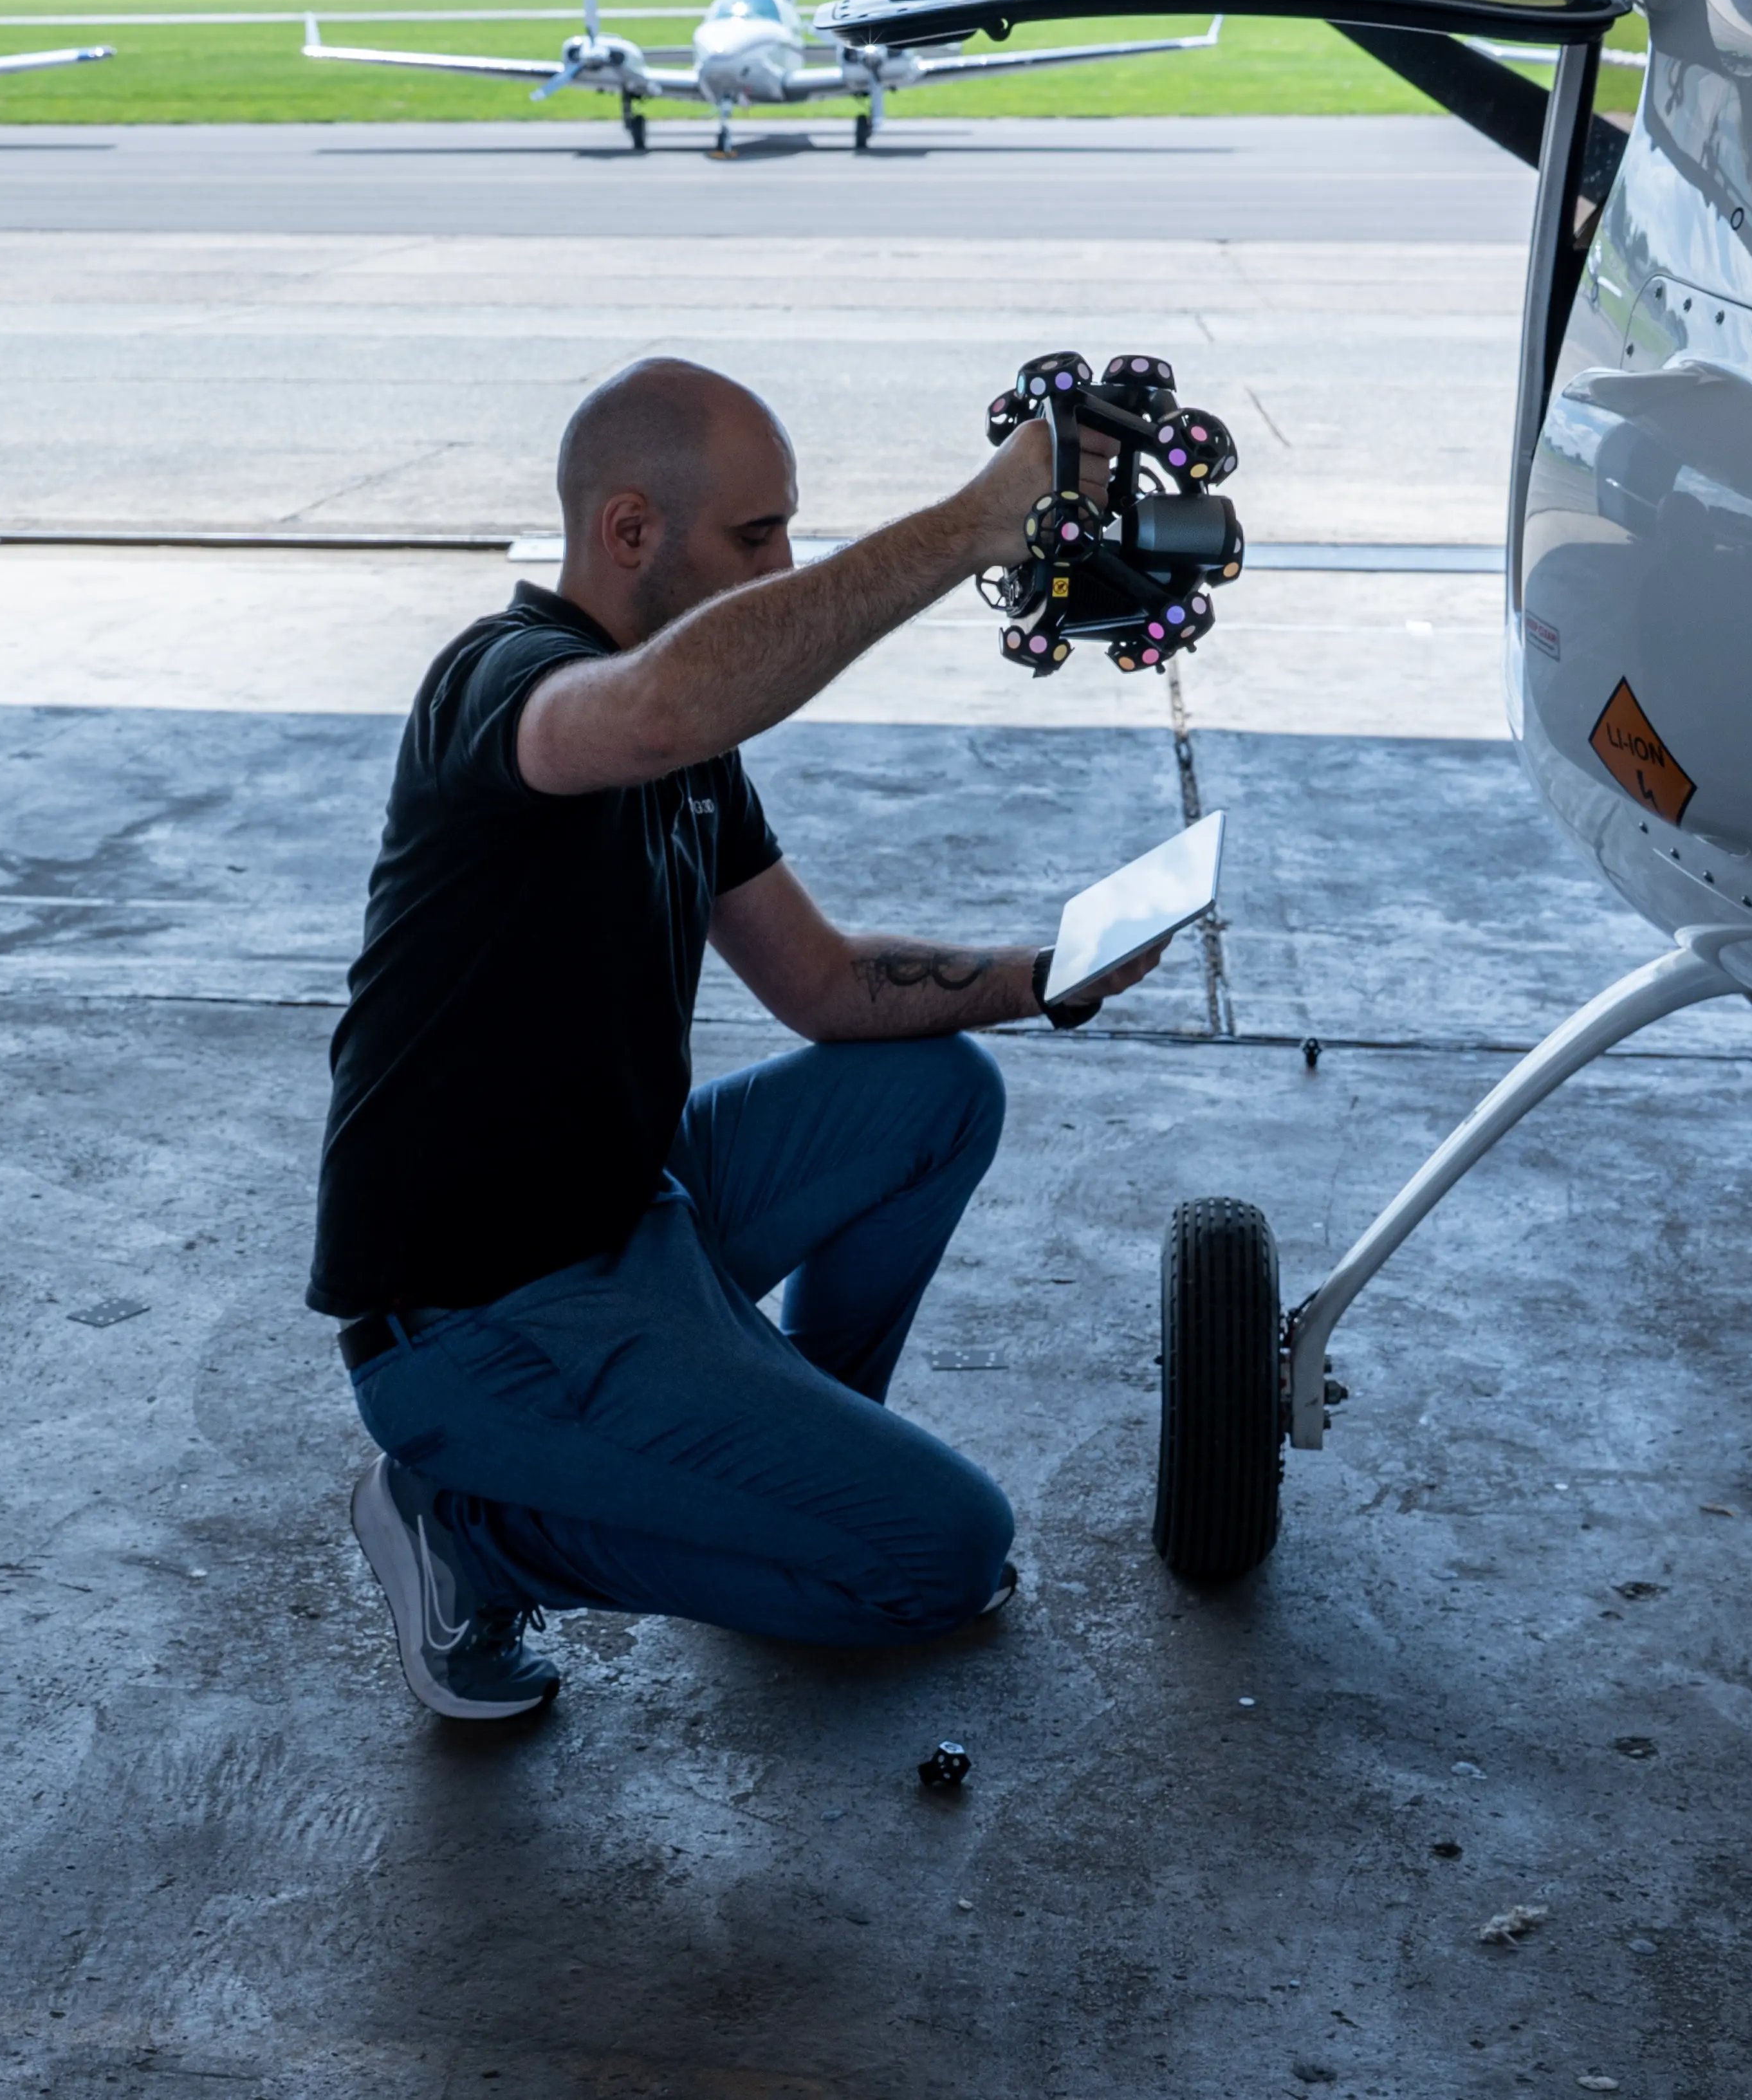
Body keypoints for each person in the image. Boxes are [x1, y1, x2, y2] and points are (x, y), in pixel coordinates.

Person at [315, 355, 1168, 1720]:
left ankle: (774, 1482)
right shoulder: (505, 683)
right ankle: (469, 1538)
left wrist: (1045, 976)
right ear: (629, 530)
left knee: (938, 1091)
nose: (782, 569)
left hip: (632, 1215)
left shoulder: (686, 748)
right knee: (942, 1559)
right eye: (756, 537)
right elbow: (659, 707)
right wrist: (970, 525)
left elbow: (822, 984)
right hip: (482, 1322)